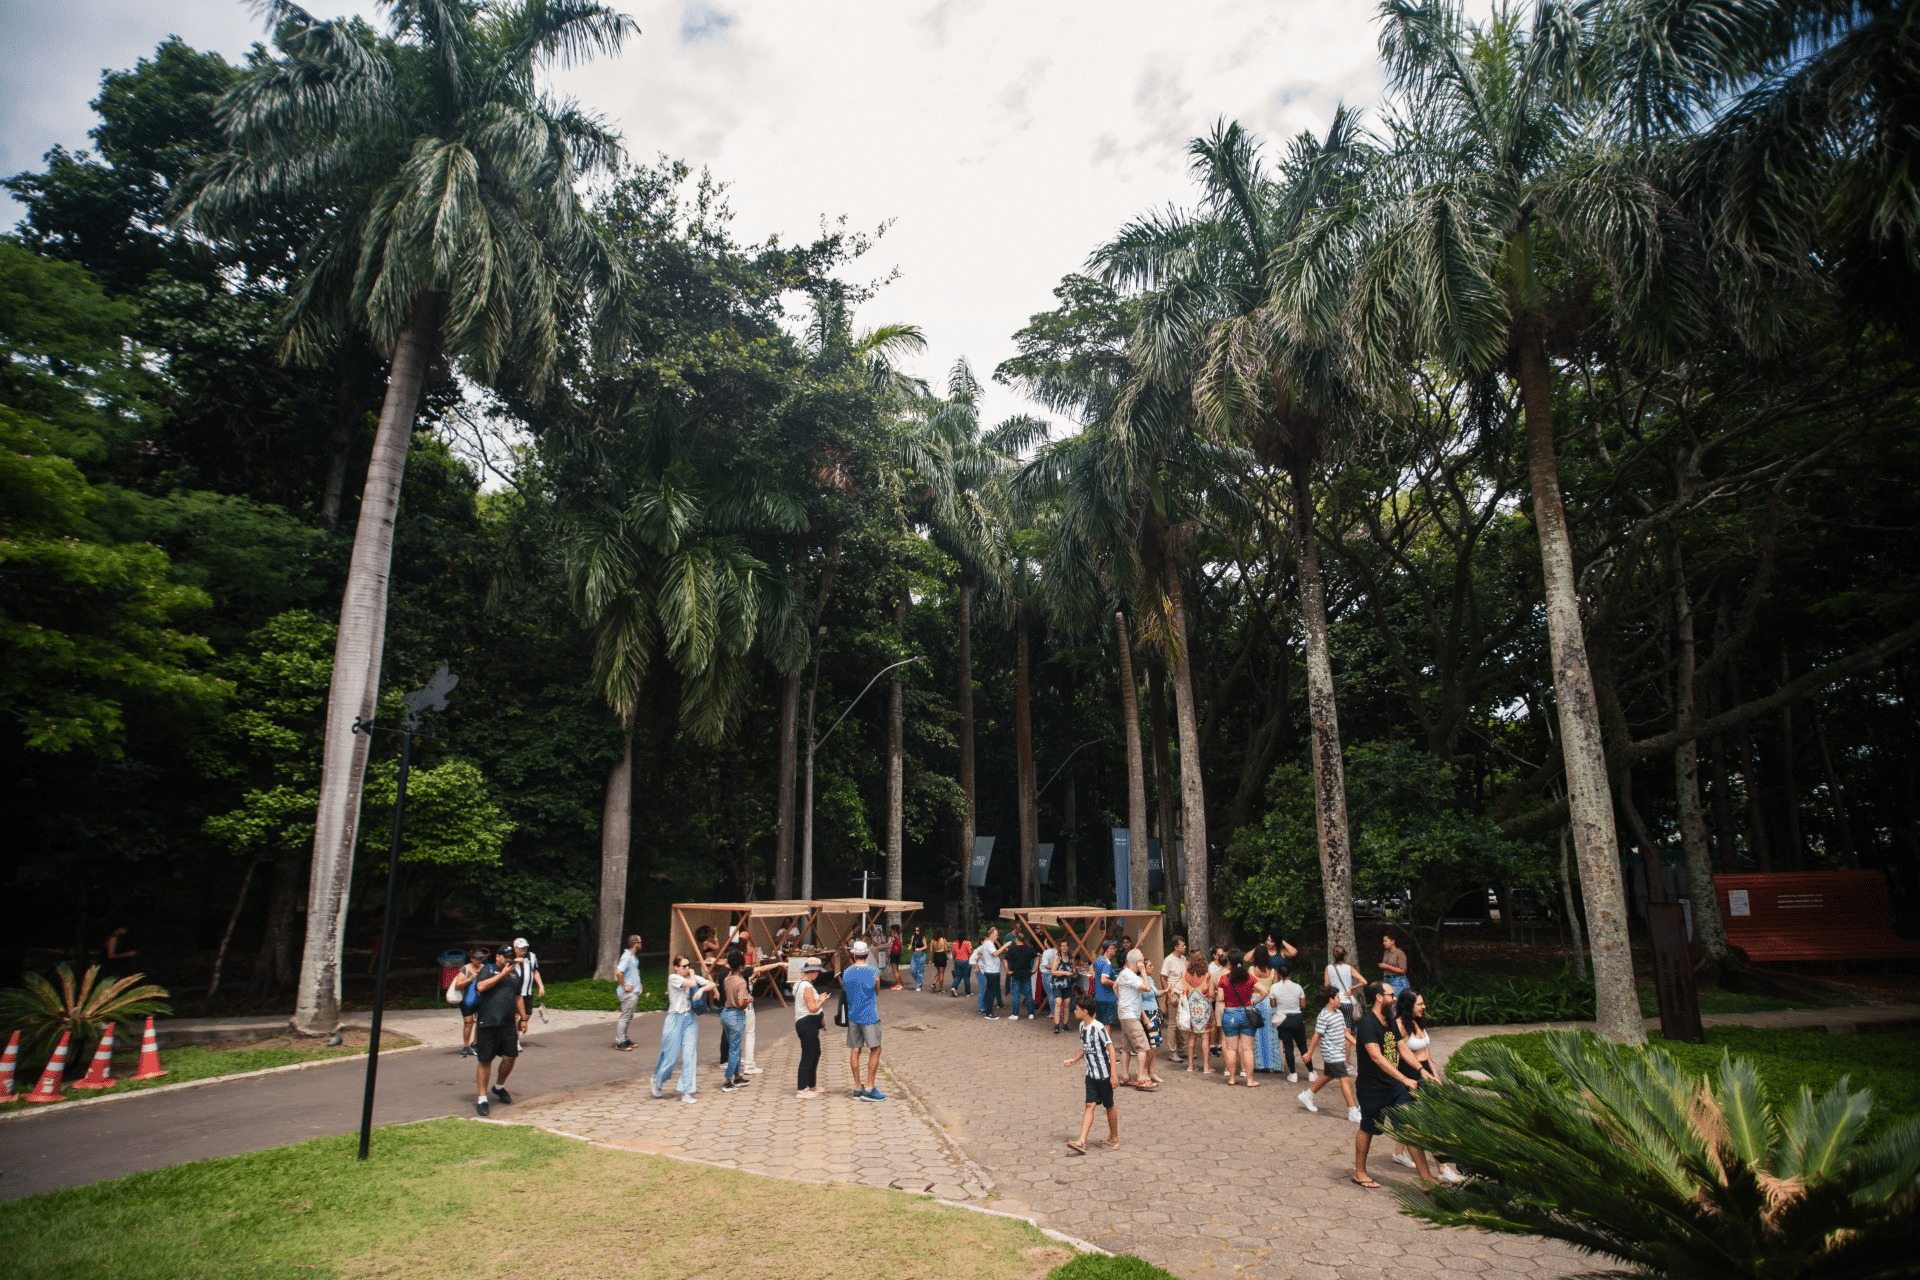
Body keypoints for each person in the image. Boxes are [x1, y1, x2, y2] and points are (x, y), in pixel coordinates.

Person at [1354, 981, 1436, 1189]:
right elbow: (1376, 1056)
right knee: (1368, 1128)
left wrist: (1421, 1070)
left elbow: (1402, 1048)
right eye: (1391, 995)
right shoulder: (1367, 1023)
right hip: (1372, 1088)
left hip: (1395, 1088)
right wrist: (1404, 1079)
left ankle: (1426, 1178)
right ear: (1379, 997)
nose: (1395, 998)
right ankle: (1360, 1172)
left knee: (1409, 1127)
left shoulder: (1390, 1020)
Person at [1390, 988, 1460, 1179]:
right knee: (1429, 1121)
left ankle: (1398, 1153)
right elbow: (1401, 1054)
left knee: (1423, 1120)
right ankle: (1443, 1169)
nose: (1424, 1007)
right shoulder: (1399, 1026)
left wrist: (1435, 1075)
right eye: (1420, 1004)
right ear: (1408, 1006)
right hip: (1412, 1076)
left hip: (1426, 1075)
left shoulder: (1417, 1022)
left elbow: (1426, 1053)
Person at [467, 943, 525, 1116]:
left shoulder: (515, 974)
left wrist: (524, 1017)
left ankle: (498, 1087)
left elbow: (518, 996)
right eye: (505, 956)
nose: (508, 959)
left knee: (511, 1056)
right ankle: (482, 1098)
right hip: (488, 1022)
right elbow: (481, 987)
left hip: (507, 1023)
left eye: (510, 957)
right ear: (497, 957)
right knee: (485, 1060)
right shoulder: (487, 969)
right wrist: (503, 974)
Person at [651, 956, 717, 1104]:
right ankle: (658, 1081)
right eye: (684, 966)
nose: (687, 968)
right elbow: (692, 983)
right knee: (671, 1058)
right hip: (674, 1019)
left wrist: (701, 991)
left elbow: (712, 984)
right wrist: (694, 976)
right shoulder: (674, 978)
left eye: (689, 965)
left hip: (689, 1020)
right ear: (676, 967)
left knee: (690, 1055)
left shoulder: (691, 977)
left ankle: (687, 1091)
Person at [1060, 995, 1119, 1154]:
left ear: (1085, 1011)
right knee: (1089, 1104)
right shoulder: (1081, 1027)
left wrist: (1113, 1075)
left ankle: (1114, 1137)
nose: (1074, 1011)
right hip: (1091, 1075)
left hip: (1104, 1074)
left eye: (1077, 1009)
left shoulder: (1099, 1027)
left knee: (1109, 1105)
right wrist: (1074, 1060)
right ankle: (1081, 1141)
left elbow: (1111, 1050)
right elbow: (1084, 1048)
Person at [1299, 984, 1359, 1121]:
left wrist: (1357, 1044)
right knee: (1345, 1079)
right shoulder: (1323, 1016)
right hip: (1332, 1053)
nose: (1340, 999)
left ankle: (1307, 1095)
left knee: (1328, 1075)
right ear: (1331, 1000)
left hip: (1338, 1052)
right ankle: (1352, 1111)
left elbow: (1345, 1033)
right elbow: (1316, 1035)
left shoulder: (1339, 1013)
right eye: (1338, 997)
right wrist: (1309, 1053)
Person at [843, 939, 886, 1100]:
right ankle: (869, 1087)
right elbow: (877, 991)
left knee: (855, 1049)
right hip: (869, 1016)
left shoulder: (846, 972)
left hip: (853, 1015)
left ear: (853, 955)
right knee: (875, 1049)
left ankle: (857, 1087)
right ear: (867, 954)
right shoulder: (873, 972)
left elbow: (846, 990)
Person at [1114, 948, 1157, 1089]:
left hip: (1127, 1014)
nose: (1144, 963)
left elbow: (1115, 987)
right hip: (1130, 1016)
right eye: (1142, 960)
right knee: (1142, 1046)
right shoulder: (1129, 975)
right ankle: (1141, 1078)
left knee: (1126, 1047)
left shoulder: (1125, 974)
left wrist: (1122, 1001)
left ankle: (1125, 1076)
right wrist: (1143, 971)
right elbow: (1147, 987)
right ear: (1137, 962)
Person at [1217, 952, 1261, 1086]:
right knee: (1247, 1049)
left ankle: (1231, 1078)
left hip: (1230, 1014)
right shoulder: (1249, 977)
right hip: (1247, 1014)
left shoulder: (1224, 979)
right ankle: (1249, 1080)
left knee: (1231, 1048)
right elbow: (1264, 991)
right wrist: (1254, 1002)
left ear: (1229, 962)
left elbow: (1220, 998)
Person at [792, 956, 828, 1098]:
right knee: (808, 1055)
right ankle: (802, 1088)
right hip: (807, 1022)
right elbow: (812, 1007)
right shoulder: (806, 986)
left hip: (807, 1023)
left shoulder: (800, 983)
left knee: (815, 1052)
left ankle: (812, 1085)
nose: (817, 975)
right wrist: (821, 1000)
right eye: (817, 972)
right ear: (812, 972)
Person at [719, 949, 754, 1092]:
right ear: (741, 967)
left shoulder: (727, 978)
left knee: (734, 1047)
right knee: (735, 1049)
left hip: (725, 1013)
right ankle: (728, 1080)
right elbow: (741, 1002)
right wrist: (749, 999)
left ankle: (737, 1076)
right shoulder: (741, 982)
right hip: (736, 1015)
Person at [1271, 963, 1310, 1082]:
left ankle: (1293, 1074)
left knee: (1288, 1047)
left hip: (1282, 1019)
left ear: (1279, 973)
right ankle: (1312, 1072)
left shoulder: (1274, 987)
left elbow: (1272, 1004)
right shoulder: (1298, 987)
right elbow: (1303, 1005)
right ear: (1291, 973)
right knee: (1303, 1046)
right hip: (1296, 1018)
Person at [1247, 946, 1279, 1074]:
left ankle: (1258, 1063)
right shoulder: (1273, 972)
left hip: (1255, 1002)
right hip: (1269, 1003)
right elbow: (1275, 991)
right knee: (1271, 1034)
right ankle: (1273, 1064)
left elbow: (1248, 987)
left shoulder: (1251, 970)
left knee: (1255, 1035)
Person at [1181, 956, 1215, 1074]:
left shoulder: (1184, 974)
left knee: (1191, 1037)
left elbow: (1182, 991)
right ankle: (1206, 1066)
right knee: (1205, 1038)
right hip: (1204, 1011)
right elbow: (1211, 993)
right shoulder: (1207, 975)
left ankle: (1190, 1065)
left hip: (1190, 1010)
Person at [1159, 938, 1191, 1061]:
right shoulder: (1168, 960)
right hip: (1174, 993)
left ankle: (1182, 1049)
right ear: (1176, 947)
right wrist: (1169, 994)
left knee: (1182, 1022)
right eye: (1183, 945)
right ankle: (1172, 1051)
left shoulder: (1183, 959)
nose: (1185, 947)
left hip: (1183, 994)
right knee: (1172, 1024)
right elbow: (1162, 977)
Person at [454, 945, 489, 1058]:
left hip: (481, 999)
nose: (479, 960)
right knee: (468, 1022)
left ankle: (476, 1044)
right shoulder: (465, 968)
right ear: (472, 958)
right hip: (468, 1000)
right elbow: (458, 984)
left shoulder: (485, 968)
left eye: (481, 958)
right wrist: (471, 978)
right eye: (477, 958)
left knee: (480, 1023)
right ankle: (465, 1046)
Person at [613, 934, 644, 1051]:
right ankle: (620, 1042)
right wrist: (624, 985)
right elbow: (618, 972)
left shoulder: (633, 957)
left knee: (629, 1016)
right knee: (625, 1017)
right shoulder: (627, 957)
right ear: (635, 944)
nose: (641, 944)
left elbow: (633, 974)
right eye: (639, 942)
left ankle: (625, 1039)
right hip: (627, 994)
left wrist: (639, 985)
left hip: (633, 992)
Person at [1324, 946, 1364, 1027]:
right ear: (1344, 956)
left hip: (1335, 1002)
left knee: (1335, 1027)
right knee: (1348, 1028)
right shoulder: (1349, 968)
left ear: (1333, 955)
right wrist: (1351, 988)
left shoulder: (1328, 968)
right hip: (1347, 1001)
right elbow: (1363, 981)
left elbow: (1326, 986)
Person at [1004, 930, 1038, 1021]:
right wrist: (1034, 969)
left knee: (1016, 995)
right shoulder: (1029, 949)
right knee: (1029, 994)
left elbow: (1005, 960)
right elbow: (1037, 957)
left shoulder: (1012, 950)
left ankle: (1015, 1014)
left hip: (1015, 974)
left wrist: (1008, 971)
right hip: (1027, 974)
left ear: (1017, 939)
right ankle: (1031, 1013)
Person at [976, 926, 1005, 1019]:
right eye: (996, 935)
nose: (997, 937)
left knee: (990, 991)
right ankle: (988, 1012)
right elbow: (995, 953)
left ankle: (988, 1011)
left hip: (991, 970)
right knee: (991, 992)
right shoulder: (989, 944)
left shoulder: (988, 943)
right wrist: (1005, 945)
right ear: (991, 934)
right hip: (991, 971)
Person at [1092, 938, 1120, 1029]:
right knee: (1108, 1024)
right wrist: (1115, 983)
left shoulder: (1099, 959)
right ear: (1108, 949)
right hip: (1107, 998)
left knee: (1098, 1022)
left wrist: (1095, 975)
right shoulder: (1107, 963)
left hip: (1098, 996)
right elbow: (1104, 980)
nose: (1115, 949)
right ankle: (1107, 1043)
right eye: (1113, 947)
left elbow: (1091, 967)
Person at [1380, 931, 1410, 997]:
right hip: (1386, 979)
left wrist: (1387, 967)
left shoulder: (1400, 953)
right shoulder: (1386, 952)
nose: (1384, 943)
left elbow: (1403, 970)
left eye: (1386, 941)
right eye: (1383, 941)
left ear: (1392, 942)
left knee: (1395, 1000)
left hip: (1397, 980)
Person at [909, 926, 927, 992]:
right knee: (912, 970)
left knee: (920, 971)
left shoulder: (923, 937)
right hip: (914, 954)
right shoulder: (913, 937)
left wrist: (919, 949)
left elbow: (925, 946)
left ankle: (919, 985)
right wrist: (910, 946)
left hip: (921, 954)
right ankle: (918, 981)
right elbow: (911, 944)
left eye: (918, 930)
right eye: (915, 930)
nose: (916, 932)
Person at [886, 925, 905, 991]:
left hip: (893, 954)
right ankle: (900, 982)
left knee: (895, 970)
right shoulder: (898, 936)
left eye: (891, 930)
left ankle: (898, 983)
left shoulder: (893, 937)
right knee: (897, 969)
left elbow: (890, 945)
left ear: (894, 930)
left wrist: (888, 952)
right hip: (898, 954)